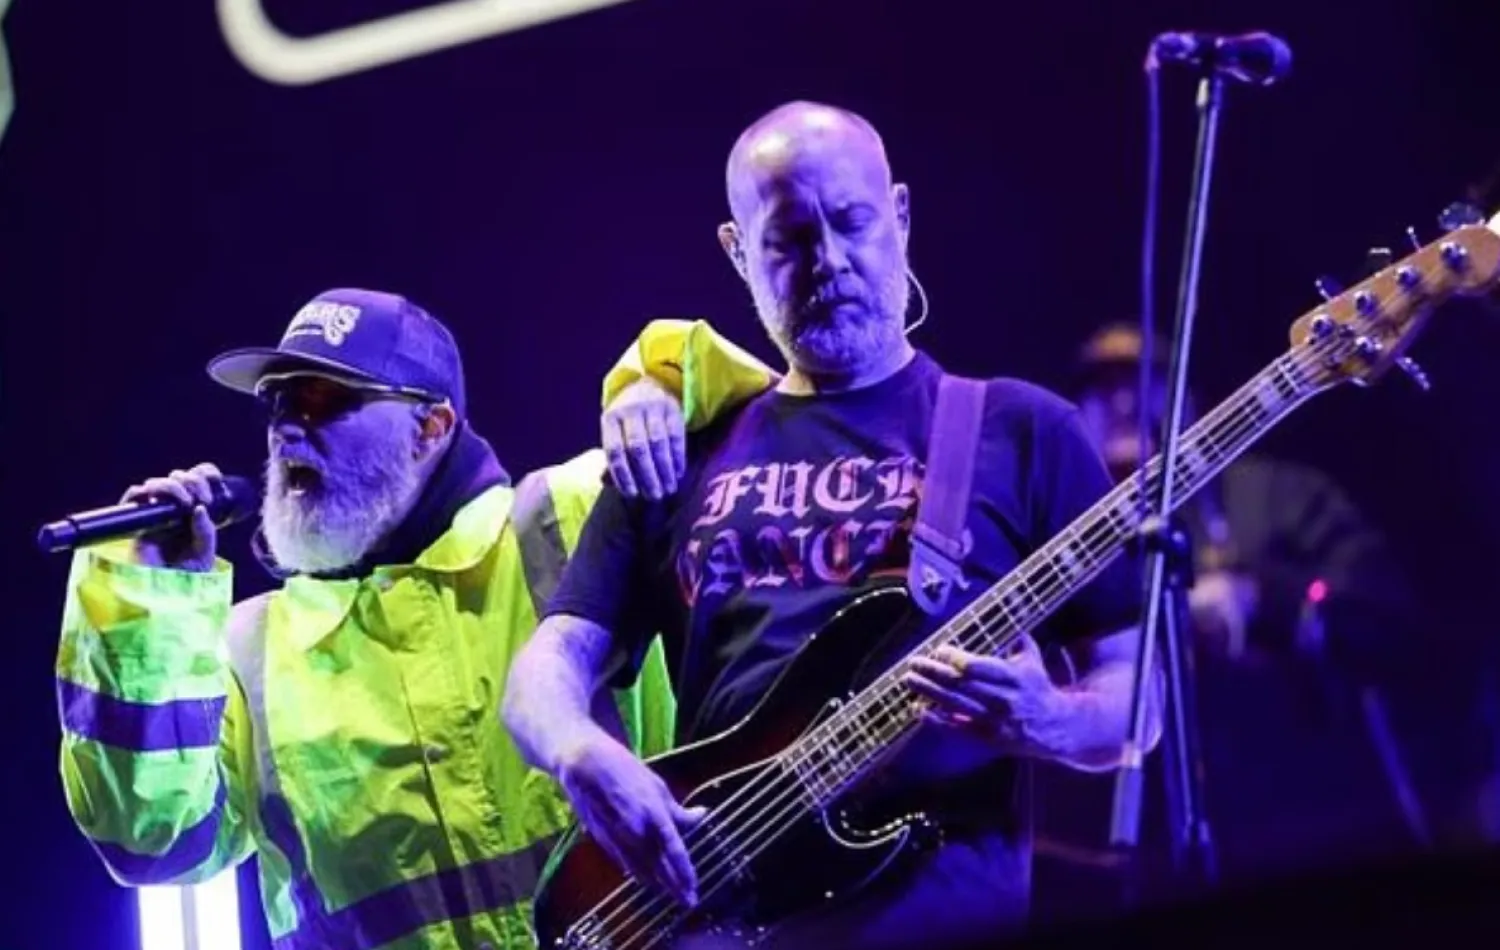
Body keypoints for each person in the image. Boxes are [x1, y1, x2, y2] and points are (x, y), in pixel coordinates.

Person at [502, 101, 1161, 949]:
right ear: (739, 253)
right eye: (789, 240)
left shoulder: (1019, 430)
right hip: (715, 912)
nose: (830, 262)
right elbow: (550, 662)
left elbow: (1135, 702)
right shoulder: (682, 449)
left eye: (853, 222)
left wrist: (1048, 719)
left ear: (902, 216)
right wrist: (577, 753)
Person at [53, 288, 771, 950]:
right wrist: (148, 604)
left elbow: (777, 437)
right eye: (278, 405)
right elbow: (153, 844)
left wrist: (660, 381)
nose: (288, 433)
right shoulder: (248, 646)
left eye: (325, 400)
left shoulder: (563, 518)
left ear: (431, 427)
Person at [1028, 320, 1427, 921]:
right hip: (1129, 861)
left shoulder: (1275, 494)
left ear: (1188, 398)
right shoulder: (1060, 535)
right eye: (1099, 388)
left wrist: (1266, 598)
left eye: (1144, 381)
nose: (1122, 401)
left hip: (1306, 828)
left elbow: (1384, 615)